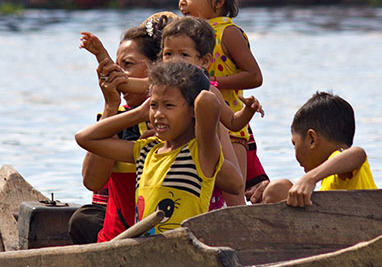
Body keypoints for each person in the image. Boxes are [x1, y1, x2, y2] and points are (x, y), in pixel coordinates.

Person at [75, 61, 232, 232]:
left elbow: (207, 100)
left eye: (169, 105)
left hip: (184, 247)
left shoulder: (201, 153)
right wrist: (138, 113)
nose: (158, 114)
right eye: (154, 105)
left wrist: (195, 86)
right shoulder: (145, 150)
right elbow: (85, 138)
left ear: (193, 110)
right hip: (148, 247)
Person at [176, 0, 267, 193]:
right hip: (200, 127)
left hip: (231, 125)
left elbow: (254, 76)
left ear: (218, 1)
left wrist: (213, 82)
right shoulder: (187, 34)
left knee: (232, 193)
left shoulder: (227, 33)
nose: (182, 1)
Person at [70, 23, 162, 243]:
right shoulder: (114, 118)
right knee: (83, 220)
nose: (118, 75)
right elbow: (92, 181)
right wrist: (111, 106)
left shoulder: (181, 118)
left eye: (127, 65)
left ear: (158, 68)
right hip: (119, 235)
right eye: (116, 66)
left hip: (165, 228)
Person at [159, 15, 264, 207]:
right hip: (174, 160)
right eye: (168, 54)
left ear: (205, 61)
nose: (175, 61)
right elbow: (130, 84)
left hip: (205, 157)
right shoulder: (158, 89)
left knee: (213, 202)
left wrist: (248, 111)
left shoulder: (208, 90)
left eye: (184, 55)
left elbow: (233, 122)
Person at [253, 91, 377, 206]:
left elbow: (357, 154)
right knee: (278, 190)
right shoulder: (329, 177)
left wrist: (310, 178)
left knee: (278, 188)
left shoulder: (341, 164)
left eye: (295, 144)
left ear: (312, 139)